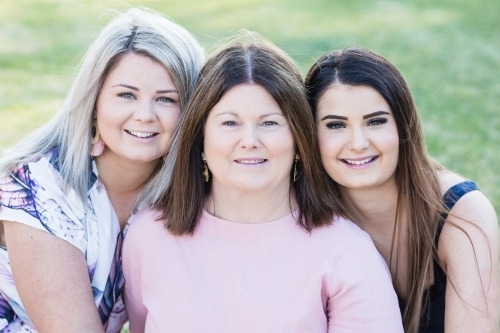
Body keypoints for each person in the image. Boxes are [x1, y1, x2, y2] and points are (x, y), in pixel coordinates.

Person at [122, 33, 403, 333]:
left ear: (298, 138)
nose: (249, 141)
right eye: (230, 123)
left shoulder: (346, 253)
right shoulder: (148, 237)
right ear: (201, 136)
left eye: (269, 123)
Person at [0, 8, 204, 333]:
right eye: (126, 95)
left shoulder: (184, 195)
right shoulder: (39, 185)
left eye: (166, 99)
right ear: (94, 101)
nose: (144, 115)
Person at [305, 47, 500, 333]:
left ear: (403, 126)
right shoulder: (303, 218)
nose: (358, 143)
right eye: (336, 125)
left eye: (375, 121)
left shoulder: (461, 213)